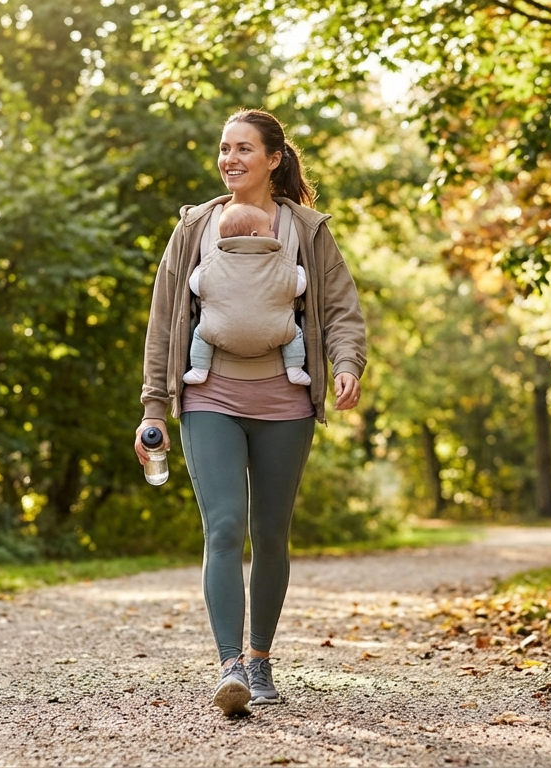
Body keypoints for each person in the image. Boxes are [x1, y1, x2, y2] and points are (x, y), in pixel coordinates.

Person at [134, 108, 367, 717]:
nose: (230, 159)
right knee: (225, 527)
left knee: (270, 532)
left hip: (285, 400)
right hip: (209, 393)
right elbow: (165, 322)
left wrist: (346, 364)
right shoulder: (195, 229)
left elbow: (340, 309)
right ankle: (230, 663)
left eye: (243, 149)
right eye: (223, 149)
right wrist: (153, 406)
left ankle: (261, 660)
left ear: (273, 158)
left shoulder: (307, 231)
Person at [184, 203, 311, 387]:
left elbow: (196, 285)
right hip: (274, 331)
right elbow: (298, 287)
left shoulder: (213, 264)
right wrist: (299, 270)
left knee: (201, 334)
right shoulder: (277, 263)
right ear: (254, 235)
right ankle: (295, 370)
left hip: (219, 330)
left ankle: (199, 370)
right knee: (294, 333)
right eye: (269, 228)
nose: (273, 233)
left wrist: (198, 270)